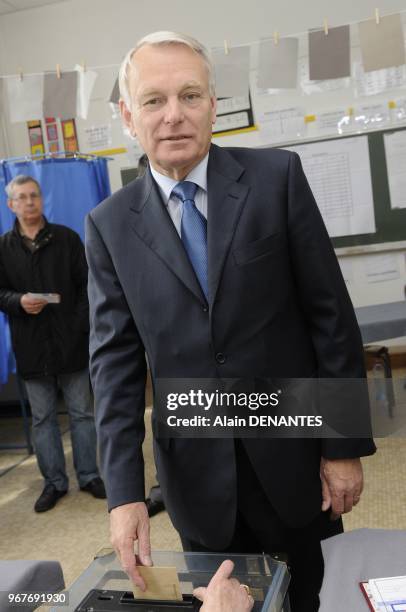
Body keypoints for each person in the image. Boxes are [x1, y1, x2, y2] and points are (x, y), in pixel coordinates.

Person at [85, 32, 376, 611]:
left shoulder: (277, 179)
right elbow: (114, 367)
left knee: (319, 599)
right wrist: (123, 495)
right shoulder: (108, 225)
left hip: (295, 460)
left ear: (214, 105)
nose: (174, 116)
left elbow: (331, 319)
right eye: (153, 100)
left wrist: (341, 446)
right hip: (195, 481)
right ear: (126, 114)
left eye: (190, 95)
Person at [0, 175, 106, 512]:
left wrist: (79, 327)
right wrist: (18, 301)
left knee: (82, 414)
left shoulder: (67, 238)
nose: (30, 202)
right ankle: (54, 483)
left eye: (34, 195)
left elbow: (88, 286)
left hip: (71, 342)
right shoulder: (3, 248)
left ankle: (89, 475)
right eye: (22, 197)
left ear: (42, 199)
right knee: (42, 419)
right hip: (31, 345)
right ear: (11, 204)